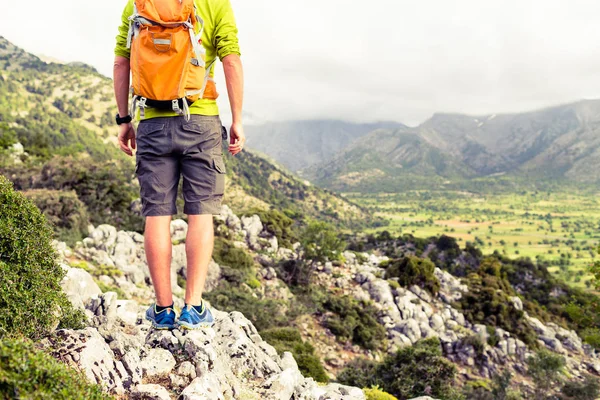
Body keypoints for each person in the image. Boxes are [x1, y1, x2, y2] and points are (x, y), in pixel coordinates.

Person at [112, 0, 245, 330]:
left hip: (153, 124)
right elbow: (231, 60)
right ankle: (193, 307)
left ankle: (162, 309)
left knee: (157, 214)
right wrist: (238, 120)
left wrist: (124, 119)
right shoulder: (215, 4)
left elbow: (120, 63)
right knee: (200, 212)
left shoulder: (139, 3)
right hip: (201, 121)